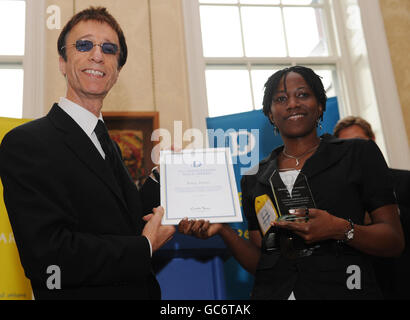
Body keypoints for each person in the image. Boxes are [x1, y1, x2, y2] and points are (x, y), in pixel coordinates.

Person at [178, 66, 404, 299]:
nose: (293, 103)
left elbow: (393, 241)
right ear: (270, 113)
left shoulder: (358, 154)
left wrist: (339, 229)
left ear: (320, 105)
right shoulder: (254, 178)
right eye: (281, 98)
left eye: (303, 95)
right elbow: (264, 265)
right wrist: (224, 232)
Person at [0, 7, 175, 300]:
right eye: (84, 45)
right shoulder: (26, 143)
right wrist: (143, 247)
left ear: (117, 71)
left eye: (109, 49)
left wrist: (162, 177)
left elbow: (123, 221)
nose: (97, 55)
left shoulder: (108, 143)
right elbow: (48, 257)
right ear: (62, 62)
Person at [334, 116, 410, 299]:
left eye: (360, 142)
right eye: (347, 145)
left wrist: (387, 213)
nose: (355, 150)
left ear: (372, 142)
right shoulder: (339, 195)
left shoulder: (406, 180)